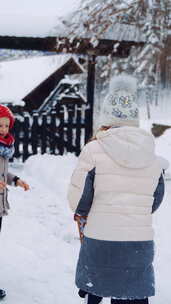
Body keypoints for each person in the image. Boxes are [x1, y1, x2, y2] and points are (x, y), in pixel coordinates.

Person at [68, 75, 165, 304]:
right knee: (131, 296)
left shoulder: (93, 150)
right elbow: (155, 200)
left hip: (100, 239)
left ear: (106, 117)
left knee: (96, 289)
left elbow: (79, 201)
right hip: (138, 243)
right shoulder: (153, 156)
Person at [0, 105, 29, 300]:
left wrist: (16, 180)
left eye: (6, 125)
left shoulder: (5, 147)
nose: (3, 129)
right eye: (0, 125)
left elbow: (4, 173)